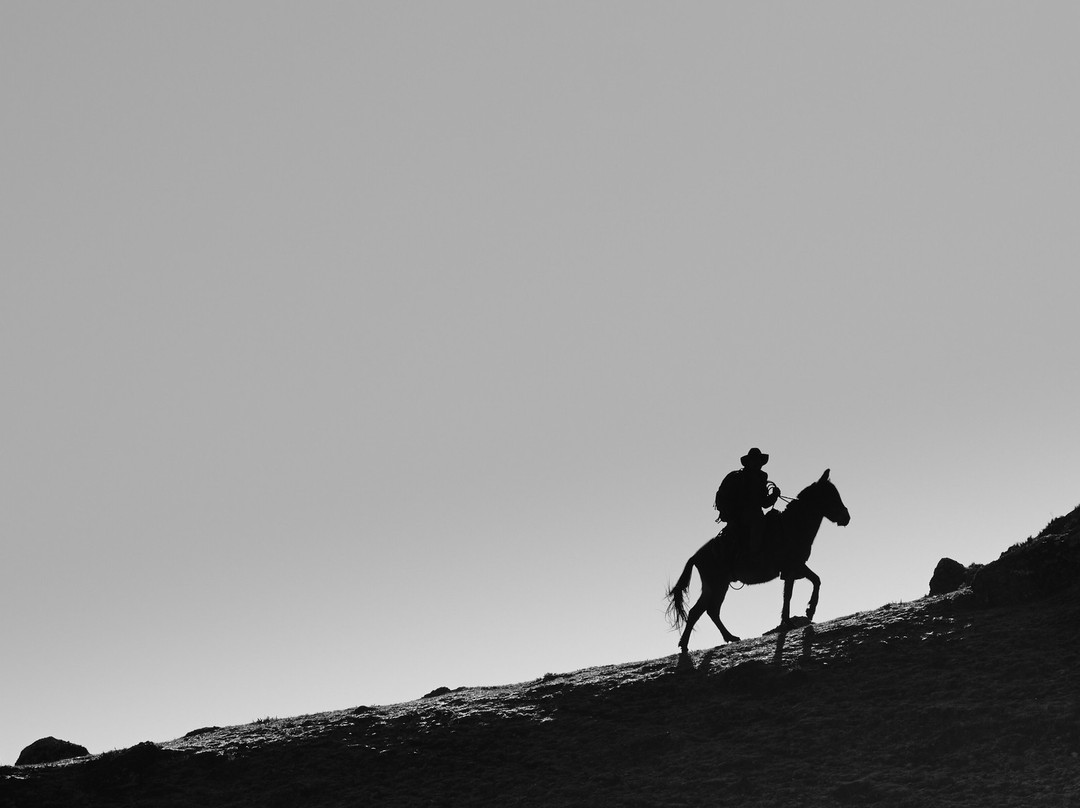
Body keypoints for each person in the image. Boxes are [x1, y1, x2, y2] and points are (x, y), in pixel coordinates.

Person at [714, 448, 782, 551]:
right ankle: (753, 555)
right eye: (754, 460)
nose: (757, 463)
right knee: (757, 524)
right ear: (749, 462)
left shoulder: (761, 477)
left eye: (759, 461)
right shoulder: (737, 477)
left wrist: (774, 495)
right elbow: (725, 496)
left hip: (756, 514)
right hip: (739, 515)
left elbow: (764, 503)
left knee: (775, 521)